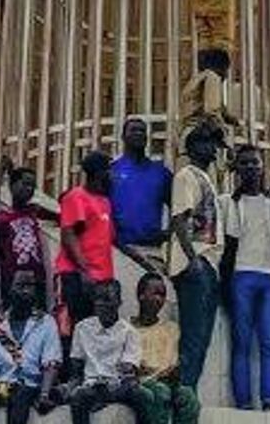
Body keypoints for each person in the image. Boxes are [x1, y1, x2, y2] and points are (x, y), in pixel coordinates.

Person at [221, 142, 270, 411]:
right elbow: (227, 247)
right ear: (237, 168)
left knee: (269, 341)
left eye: (255, 162)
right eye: (244, 163)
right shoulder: (229, 202)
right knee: (241, 342)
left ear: (263, 167)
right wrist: (224, 286)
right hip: (241, 277)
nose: (250, 167)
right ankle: (244, 403)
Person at [167, 121, 225, 390]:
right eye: (207, 142)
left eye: (214, 143)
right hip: (196, 265)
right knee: (193, 337)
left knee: (202, 338)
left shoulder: (206, 179)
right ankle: (184, 395)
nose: (213, 148)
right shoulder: (186, 176)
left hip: (209, 265)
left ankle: (188, 394)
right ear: (192, 147)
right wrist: (193, 260)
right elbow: (179, 219)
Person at [0, 269, 62, 424]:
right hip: (2, 386)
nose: (26, 291)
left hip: (31, 386)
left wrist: (44, 394)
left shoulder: (46, 322)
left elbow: (51, 364)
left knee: (20, 395)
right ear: (9, 289)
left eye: (30, 286)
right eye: (20, 285)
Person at [62, 279, 142, 424]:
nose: (101, 304)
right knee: (78, 397)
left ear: (119, 302)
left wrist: (121, 377)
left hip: (117, 387)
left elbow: (128, 369)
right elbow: (76, 368)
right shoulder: (82, 328)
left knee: (139, 394)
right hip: (91, 386)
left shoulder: (129, 332)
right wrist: (72, 386)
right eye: (97, 299)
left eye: (107, 299)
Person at [56, 151, 118, 327]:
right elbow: (69, 235)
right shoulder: (76, 197)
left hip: (102, 279)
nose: (112, 175)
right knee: (76, 328)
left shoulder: (105, 201)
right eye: (109, 170)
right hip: (79, 277)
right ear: (99, 173)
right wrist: (85, 271)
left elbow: (110, 238)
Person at [130, 272, 199, 424]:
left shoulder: (171, 328)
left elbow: (172, 362)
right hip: (142, 384)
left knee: (188, 396)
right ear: (141, 296)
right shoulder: (128, 329)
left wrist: (175, 371)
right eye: (155, 293)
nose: (159, 299)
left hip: (167, 382)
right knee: (161, 392)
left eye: (162, 295)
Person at [0, 158, 56, 307]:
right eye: (25, 184)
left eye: (32, 186)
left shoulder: (34, 210)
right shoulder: (1, 216)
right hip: (11, 279)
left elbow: (60, 217)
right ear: (12, 185)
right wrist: (2, 170)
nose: (29, 189)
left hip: (36, 279)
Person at [110, 116, 173, 260]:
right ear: (123, 137)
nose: (138, 134)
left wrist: (169, 233)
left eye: (142, 131)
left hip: (152, 251)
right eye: (133, 130)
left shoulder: (160, 172)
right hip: (118, 251)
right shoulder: (111, 171)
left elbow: (179, 208)